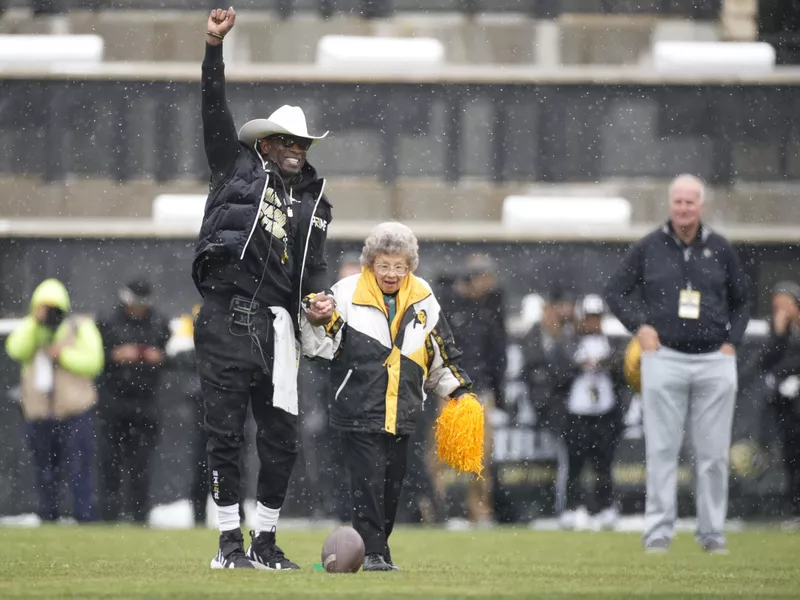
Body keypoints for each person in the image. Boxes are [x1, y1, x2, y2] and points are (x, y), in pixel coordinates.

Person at [195, 7, 335, 569]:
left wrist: (320, 304)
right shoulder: (234, 167)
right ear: (268, 143)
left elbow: (315, 269)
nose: (298, 148)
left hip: (277, 326)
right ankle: (229, 545)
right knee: (224, 437)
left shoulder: (314, 202)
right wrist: (212, 47)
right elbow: (212, 106)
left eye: (304, 142)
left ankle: (266, 542)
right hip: (227, 317)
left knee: (281, 442)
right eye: (288, 140)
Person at [301, 222, 474, 571]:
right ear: (370, 264)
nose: (391, 274)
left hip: (404, 407)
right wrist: (315, 316)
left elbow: (440, 349)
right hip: (357, 405)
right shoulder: (346, 291)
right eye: (384, 266)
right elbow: (324, 342)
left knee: (392, 485)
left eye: (399, 266)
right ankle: (374, 553)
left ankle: (377, 549)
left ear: (410, 266)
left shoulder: (424, 295)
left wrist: (459, 391)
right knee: (367, 481)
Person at [604, 174, 750, 554]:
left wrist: (731, 343)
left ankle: (712, 532)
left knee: (713, 455)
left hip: (713, 361)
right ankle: (658, 532)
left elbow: (743, 300)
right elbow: (615, 291)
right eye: (678, 201)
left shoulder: (721, 248)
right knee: (662, 451)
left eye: (690, 202)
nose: (683, 208)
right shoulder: (649, 247)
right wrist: (640, 326)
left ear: (701, 206)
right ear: (670, 204)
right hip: (663, 358)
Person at [5, 279, 104, 523]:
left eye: (52, 308)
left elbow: (94, 362)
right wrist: (36, 324)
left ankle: (84, 516)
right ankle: (47, 515)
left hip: (74, 411)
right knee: (45, 470)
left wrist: (63, 356)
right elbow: (15, 349)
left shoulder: (79, 327)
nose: (48, 313)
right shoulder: (31, 327)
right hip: (38, 412)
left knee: (79, 468)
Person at [436, 253, 507, 527]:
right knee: (445, 453)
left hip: (480, 393)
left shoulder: (489, 308)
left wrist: (498, 396)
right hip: (448, 390)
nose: (487, 286)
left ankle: (479, 511)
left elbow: (497, 356)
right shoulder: (446, 306)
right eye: (484, 279)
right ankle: (446, 511)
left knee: (480, 455)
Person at [96, 279, 170, 524]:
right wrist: (114, 356)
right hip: (113, 402)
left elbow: (172, 358)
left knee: (141, 463)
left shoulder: (160, 323)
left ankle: (139, 515)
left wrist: (157, 357)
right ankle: (109, 514)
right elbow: (95, 358)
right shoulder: (107, 321)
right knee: (110, 462)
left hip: (145, 403)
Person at [556, 294, 624, 531]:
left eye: (597, 318)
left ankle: (604, 507)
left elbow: (623, 372)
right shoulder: (569, 342)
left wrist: (608, 364)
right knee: (575, 463)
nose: (593, 323)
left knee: (603, 463)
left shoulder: (611, 343)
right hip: (577, 412)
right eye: (589, 318)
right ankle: (572, 507)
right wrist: (578, 366)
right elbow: (559, 375)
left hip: (604, 412)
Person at [758, 281, 800, 530]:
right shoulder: (777, 331)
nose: (780, 310)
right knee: (791, 456)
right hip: (787, 406)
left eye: (785, 304)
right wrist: (779, 332)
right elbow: (767, 360)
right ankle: (795, 509)